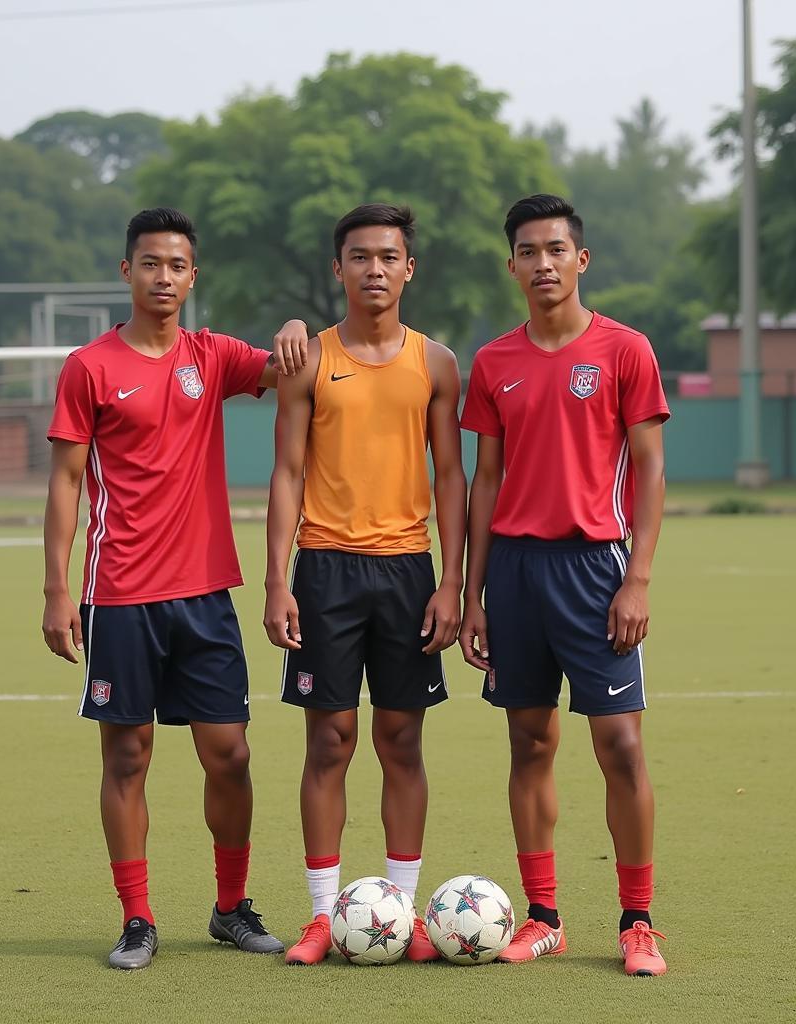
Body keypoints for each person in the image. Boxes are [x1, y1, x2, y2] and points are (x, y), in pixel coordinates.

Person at [42, 207, 309, 970]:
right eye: (150, 263)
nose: (164, 277)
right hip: (118, 593)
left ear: (194, 276)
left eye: (178, 265)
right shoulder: (89, 367)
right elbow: (64, 483)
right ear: (126, 271)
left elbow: (293, 366)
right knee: (127, 756)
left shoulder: (211, 355)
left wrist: (294, 321)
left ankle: (230, 908)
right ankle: (136, 918)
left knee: (229, 755)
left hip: (205, 596)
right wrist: (57, 592)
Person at [459, 194, 670, 976]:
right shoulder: (493, 362)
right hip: (513, 573)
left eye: (556, 249)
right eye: (527, 251)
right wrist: (475, 592)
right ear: (510, 264)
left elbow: (649, 471)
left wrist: (638, 579)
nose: (542, 263)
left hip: (596, 569)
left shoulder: (625, 350)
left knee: (619, 745)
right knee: (529, 741)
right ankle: (543, 915)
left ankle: (638, 922)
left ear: (580, 260)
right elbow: (485, 481)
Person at [263, 204, 466, 965]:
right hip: (324, 568)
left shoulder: (436, 363)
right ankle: (322, 915)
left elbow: (451, 475)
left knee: (401, 739)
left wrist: (452, 583)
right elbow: (285, 472)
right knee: (330, 741)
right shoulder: (308, 360)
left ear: (409, 268)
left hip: (409, 571)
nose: (374, 269)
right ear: (338, 269)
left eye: (388, 257)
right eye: (359, 257)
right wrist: (277, 581)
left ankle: (403, 912)